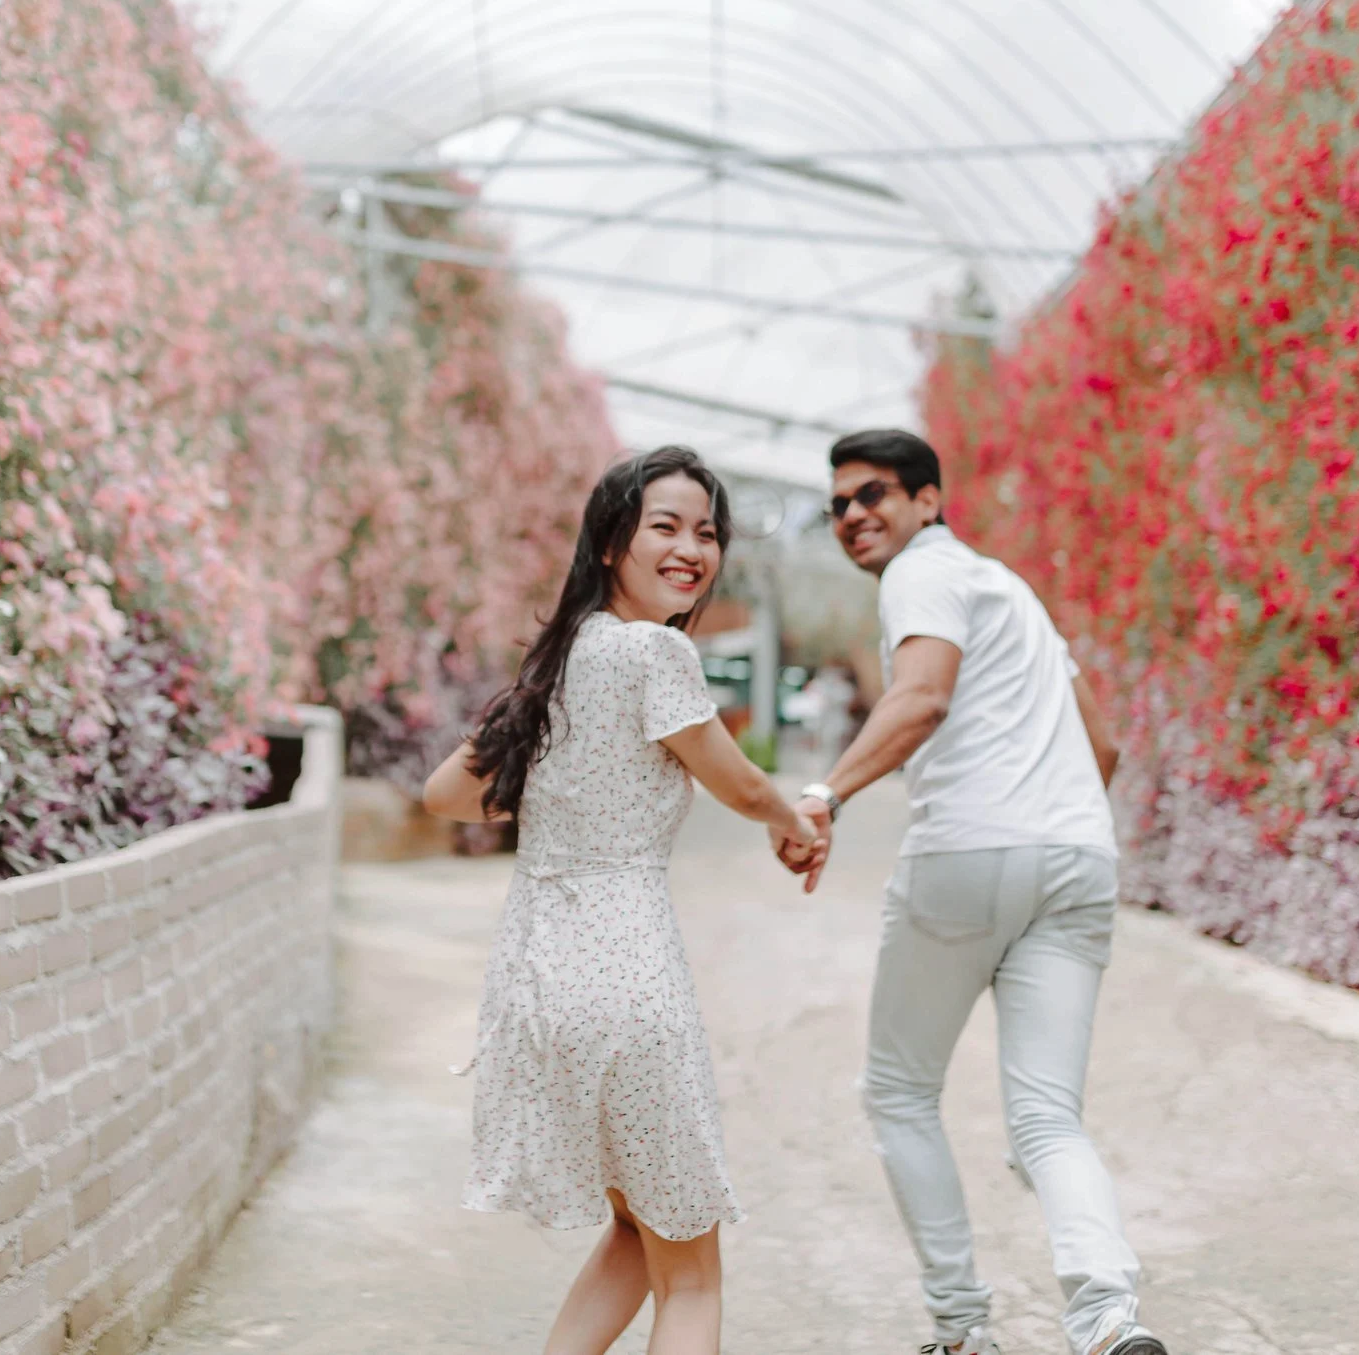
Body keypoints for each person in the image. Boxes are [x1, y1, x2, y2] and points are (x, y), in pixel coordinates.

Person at [423, 446, 824, 1355]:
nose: (691, 548)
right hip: (628, 982)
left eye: (708, 532)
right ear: (612, 542)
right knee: (692, 1278)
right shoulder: (655, 649)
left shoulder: (562, 659)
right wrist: (794, 820)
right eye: (666, 526)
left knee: (642, 1232)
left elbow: (448, 792)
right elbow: (735, 780)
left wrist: (556, 762)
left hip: (537, 981)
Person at [795, 429, 1165, 1355]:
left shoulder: (921, 572)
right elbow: (1105, 748)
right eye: (838, 504)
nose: (852, 516)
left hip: (966, 851)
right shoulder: (1016, 592)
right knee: (1048, 1116)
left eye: (872, 494)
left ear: (928, 501)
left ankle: (964, 1332)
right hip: (1077, 859)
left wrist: (822, 793)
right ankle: (1107, 1317)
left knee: (898, 1092)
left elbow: (922, 698)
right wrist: (1046, 824)